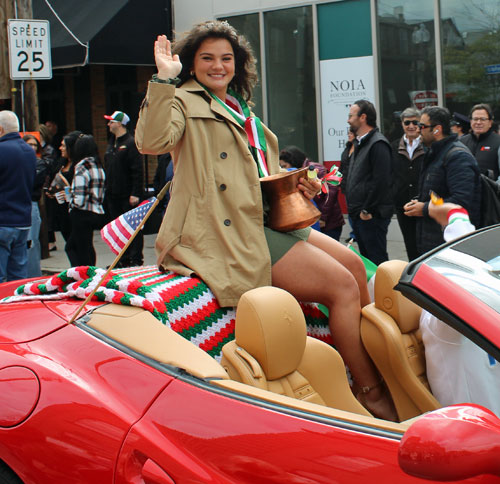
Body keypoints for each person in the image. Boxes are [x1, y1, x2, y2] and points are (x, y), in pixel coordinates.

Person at [135, 21, 396, 420]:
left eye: (226, 58)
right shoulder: (183, 99)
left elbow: (261, 174)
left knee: (354, 270)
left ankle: (379, 366)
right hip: (226, 229)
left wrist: (300, 186)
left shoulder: (240, 108)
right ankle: (369, 390)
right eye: (207, 58)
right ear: (191, 64)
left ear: (238, 65)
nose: (218, 66)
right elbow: (150, 142)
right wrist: (163, 80)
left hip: (264, 218)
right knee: (342, 287)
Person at [421, 201, 500, 416]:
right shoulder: (447, 314)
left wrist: (455, 215)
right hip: (481, 434)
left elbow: (462, 245)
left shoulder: (478, 283)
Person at [404, 106, 481, 256]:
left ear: (437, 130)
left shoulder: (457, 156)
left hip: (449, 245)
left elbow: (461, 202)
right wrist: (418, 203)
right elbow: (434, 193)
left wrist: (424, 208)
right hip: (432, 241)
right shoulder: (434, 153)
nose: (418, 130)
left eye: (422, 126)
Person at [345, 100, 393, 265]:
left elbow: (381, 181)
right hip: (359, 214)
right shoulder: (360, 143)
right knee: (367, 261)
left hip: (371, 216)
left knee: (377, 261)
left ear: (363, 117)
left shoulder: (378, 144)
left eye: (351, 116)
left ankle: (384, 291)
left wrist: (367, 210)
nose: (348, 120)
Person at [104, 110, 144, 267]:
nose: (109, 124)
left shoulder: (130, 143)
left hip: (127, 194)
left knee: (132, 227)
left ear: (120, 124)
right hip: (113, 193)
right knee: (118, 228)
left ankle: (135, 260)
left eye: (111, 122)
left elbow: (137, 170)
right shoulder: (111, 143)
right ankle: (123, 258)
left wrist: (135, 192)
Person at [0, 111, 36, 282]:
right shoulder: (29, 151)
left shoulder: (2, 150)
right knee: (18, 275)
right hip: (23, 219)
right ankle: (16, 305)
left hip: (3, 219)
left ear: (0, 129)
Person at [65, 134, 105, 266]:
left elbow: (79, 198)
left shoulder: (82, 166)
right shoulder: (98, 165)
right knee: (87, 246)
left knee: (73, 247)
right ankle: (89, 272)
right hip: (95, 210)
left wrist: (71, 200)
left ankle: (82, 275)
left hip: (81, 212)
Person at [391, 107, 425, 261]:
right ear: (402, 124)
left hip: (424, 203)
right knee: (410, 245)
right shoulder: (393, 146)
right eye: (407, 122)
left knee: (425, 246)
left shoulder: (427, 145)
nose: (411, 126)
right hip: (402, 204)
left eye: (415, 122)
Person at [46, 130, 82, 250]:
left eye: (63, 145)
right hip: (60, 209)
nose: (60, 148)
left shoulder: (80, 166)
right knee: (69, 242)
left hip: (75, 210)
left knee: (75, 246)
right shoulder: (61, 163)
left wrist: (68, 193)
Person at [23, 134, 50, 277]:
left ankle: (33, 277)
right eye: (29, 144)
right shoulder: (19, 162)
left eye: (35, 145)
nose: (32, 147)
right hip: (18, 205)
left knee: (31, 242)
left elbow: (33, 182)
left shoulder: (39, 163)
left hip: (31, 203)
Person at [460, 103, 500, 182]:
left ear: (490, 122)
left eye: (483, 119)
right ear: (471, 121)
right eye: (475, 119)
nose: (478, 122)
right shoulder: (462, 142)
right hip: (464, 191)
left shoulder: (498, 142)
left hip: (490, 192)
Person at [339, 128, 356, 243]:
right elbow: (343, 165)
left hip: (355, 185)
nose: (349, 135)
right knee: (350, 210)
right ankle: (354, 233)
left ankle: (356, 233)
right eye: (348, 133)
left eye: (351, 133)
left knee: (355, 210)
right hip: (346, 185)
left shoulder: (360, 148)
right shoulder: (347, 148)